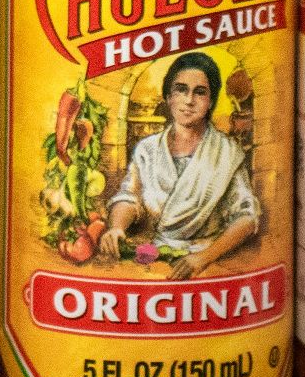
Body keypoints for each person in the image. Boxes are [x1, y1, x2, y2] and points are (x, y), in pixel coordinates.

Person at [96, 52, 259, 279]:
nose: (189, 100)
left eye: (199, 92)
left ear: (210, 101)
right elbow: (129, 197)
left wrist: (203, 258)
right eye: (181, 89)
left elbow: (247, 218)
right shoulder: (148, 149)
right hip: (155, 257)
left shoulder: (227, 153)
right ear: (169, 97)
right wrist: (117, 227)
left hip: (209, 263)